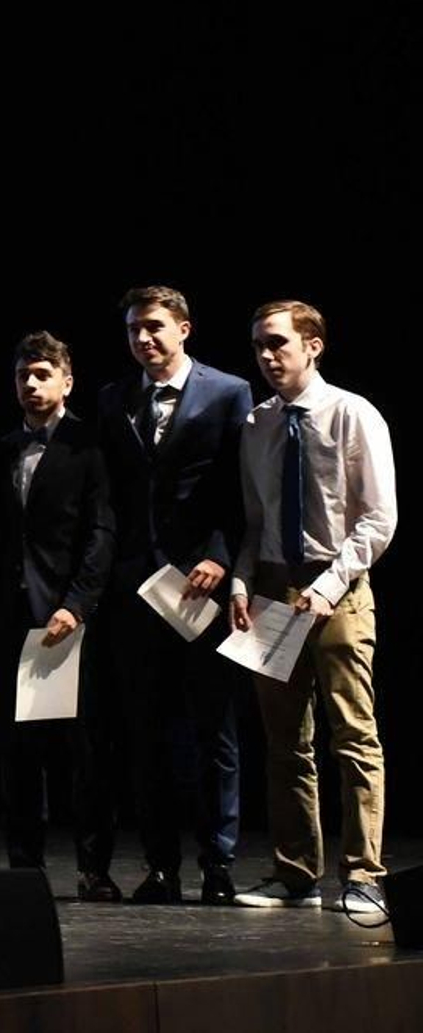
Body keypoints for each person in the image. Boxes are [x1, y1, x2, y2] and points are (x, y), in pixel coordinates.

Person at [229, 301, 396, 914]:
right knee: (284, 740)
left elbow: (378, 519)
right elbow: (255, 519)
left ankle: (364, 875)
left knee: (352, 734)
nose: (266, 355)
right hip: (274, 585)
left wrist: (328, 586)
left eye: (277, 342)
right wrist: (242, 581)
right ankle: (296, 872)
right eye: (258, 345)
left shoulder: (352, 413)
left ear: (312, 345)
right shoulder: (258, 422)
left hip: (336, 586)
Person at [97, 285, 252, 904]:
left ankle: (218, 865)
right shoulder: (113, 398)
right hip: (138, 587)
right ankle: (161, 866)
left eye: (154, 326)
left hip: (200, 583)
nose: (143, 338)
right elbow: (114, 494)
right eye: (134, 329)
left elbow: (239, 488)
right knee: (147, 732)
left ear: (184, 328)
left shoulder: (228, 391)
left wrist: (218, 555)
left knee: (214, 729)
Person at [0, 332, 118, 898]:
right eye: (24, 376)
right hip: (12, 616)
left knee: (84, 751)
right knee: (19, 751)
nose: (32, 385)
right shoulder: (1, 447)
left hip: (69, 618)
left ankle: (93, 868)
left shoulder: (89, 446)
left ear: (67, 381)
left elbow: (101, 532)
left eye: (43, 375)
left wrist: (77, 605)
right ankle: (25, 868)